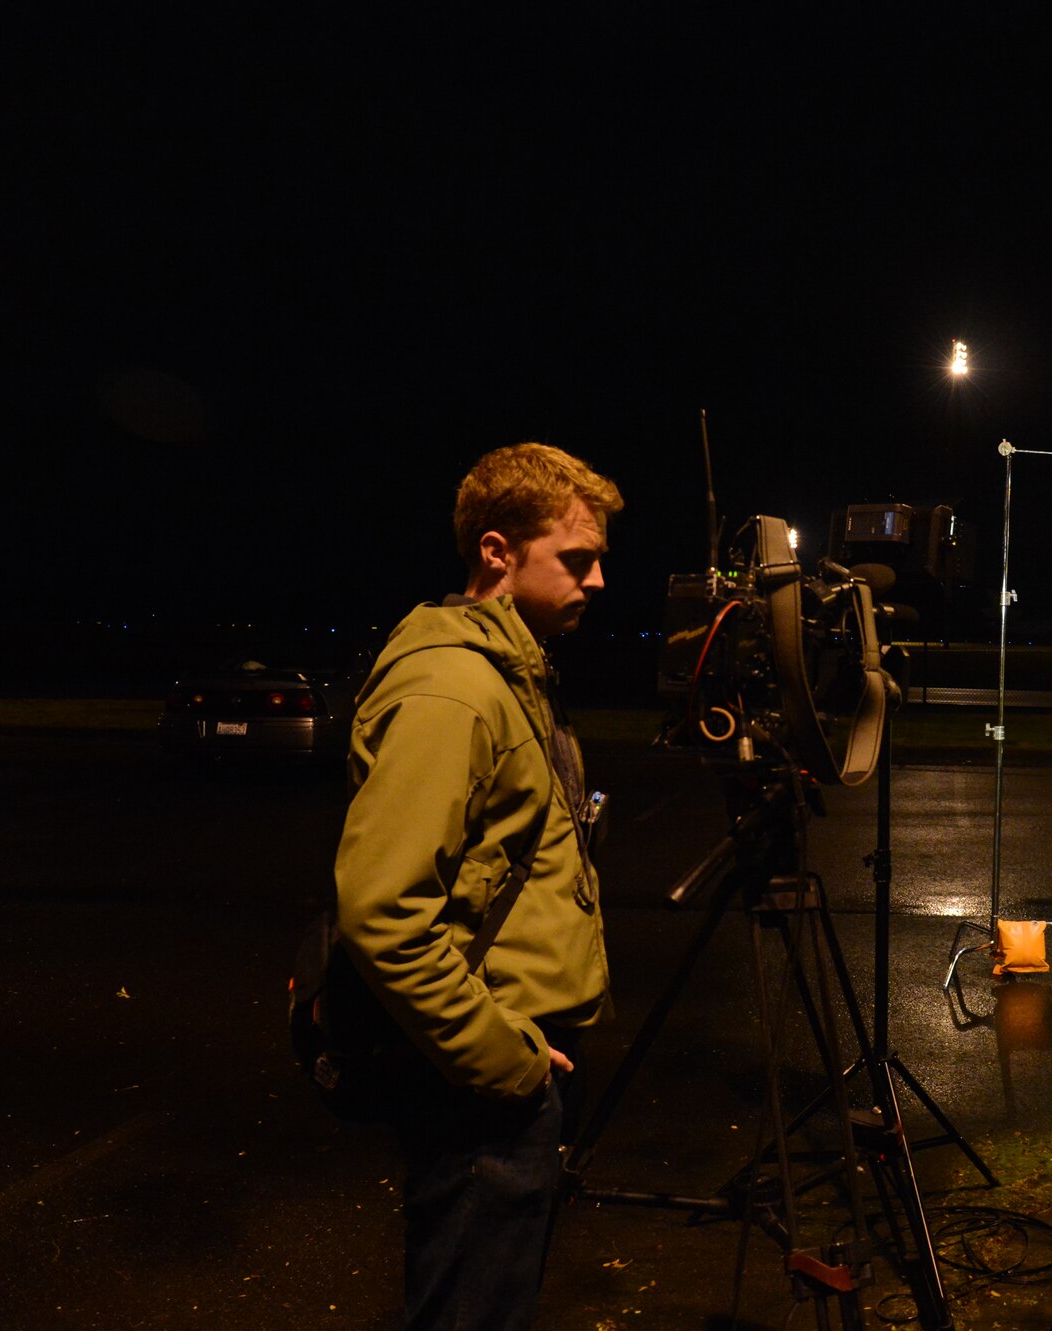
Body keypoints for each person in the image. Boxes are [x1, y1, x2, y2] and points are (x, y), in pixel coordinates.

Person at [333, 441, 621, 1331]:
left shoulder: (515, 675)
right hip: (482, 1087)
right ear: (497, 551)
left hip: (513, 1071)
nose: (600, 580)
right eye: (577, 558)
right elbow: (383, 911)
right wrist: (508, 1063)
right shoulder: (454, 689)